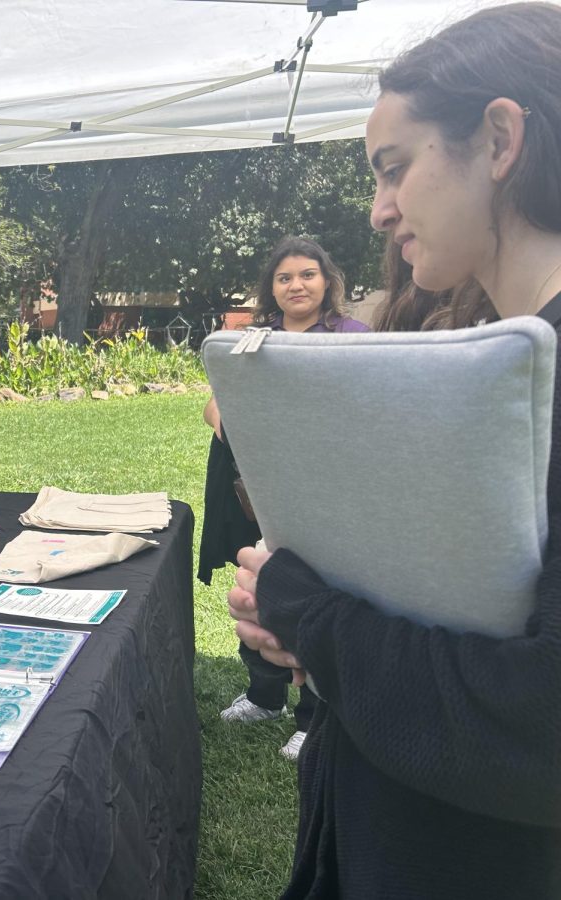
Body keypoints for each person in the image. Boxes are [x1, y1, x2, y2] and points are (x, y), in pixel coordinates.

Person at [229, 4, 561, 895]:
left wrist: (309, 613)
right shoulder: (489, 352)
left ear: (498, 139)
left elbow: (539, 732)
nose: (379, 211)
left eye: (394, 168)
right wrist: (319, 629)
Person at [203, 237, 367, 760]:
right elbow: (214, 404)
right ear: (271, 288)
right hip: (252, 483)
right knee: (259, 583)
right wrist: (237, 427)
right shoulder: (252, 338)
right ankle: (263, 695)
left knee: (312, 591)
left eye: (308, 274)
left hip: (324, 484)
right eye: (284, 277)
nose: (296, 285)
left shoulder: (351, 335)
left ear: (327, 281)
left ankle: (312, 716)